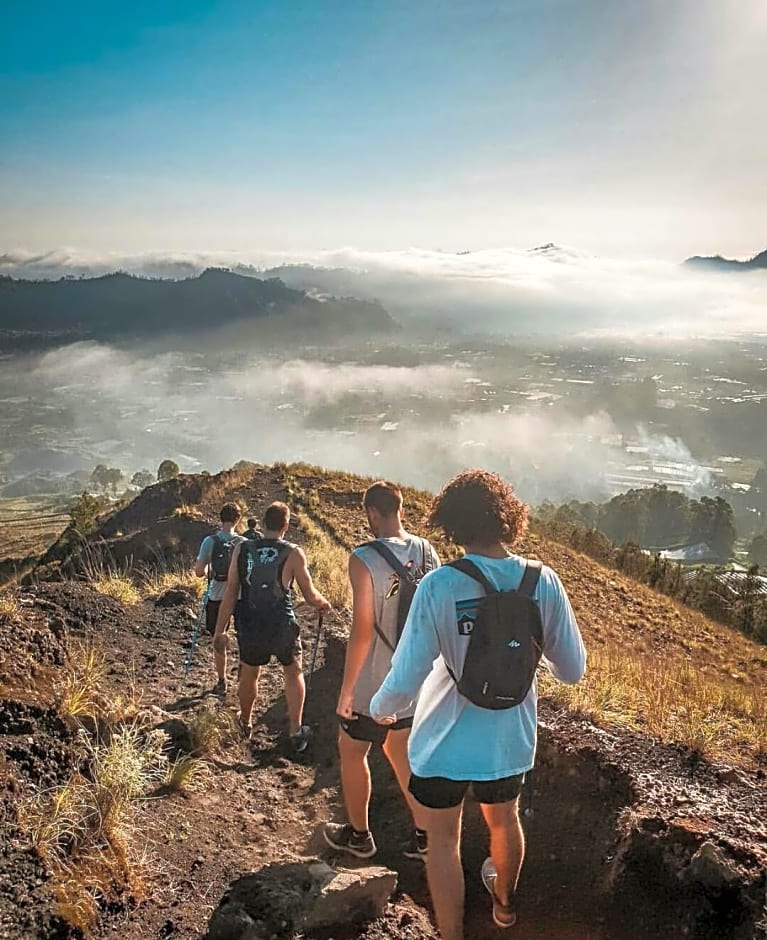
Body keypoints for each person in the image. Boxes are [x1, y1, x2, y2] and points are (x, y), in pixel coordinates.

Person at [370, 469, 586, 940]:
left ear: (452, 524)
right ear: (508, 516)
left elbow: (406, 676)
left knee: (443, 842)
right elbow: (572, 670)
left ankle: (451, 934)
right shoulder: (543, 582)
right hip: (508, 739)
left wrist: (380, 708)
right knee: (505, 821)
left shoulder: (440, 585)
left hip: (441, 744)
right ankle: (504, 907)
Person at [323, 481, 440, 861]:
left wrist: (347, 691)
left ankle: (359, 837)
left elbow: (362, 629)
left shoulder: (363, 558)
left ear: (372, 513)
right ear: (401, 509)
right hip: (415, 679)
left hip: (376, 680)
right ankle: (425, 836)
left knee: (352, 749)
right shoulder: (428, 551)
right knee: (400, 749)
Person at [213, 501, 331, 753]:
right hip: (281, 622)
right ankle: (296, 731)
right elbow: (310, 595)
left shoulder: (242, 549)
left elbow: (232, 591)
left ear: (263, 523)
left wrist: (220, 629)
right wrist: (323, 604)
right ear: (286, 526)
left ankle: (245, 722)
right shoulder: (293, 552)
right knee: (293, 671)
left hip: (250, 620)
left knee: (249, 672)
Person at [194, 502, 245, 695]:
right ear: (238, 520)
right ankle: (242, 666)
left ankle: (222, 680)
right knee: (242, 634)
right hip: (239, 595)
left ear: (220, 518)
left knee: (218, 636)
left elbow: (199, 572)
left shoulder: (210, 541)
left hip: (216, 595)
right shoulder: (242, 543)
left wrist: (208, 569)